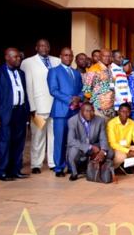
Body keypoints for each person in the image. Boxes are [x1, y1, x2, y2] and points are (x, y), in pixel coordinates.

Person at [0, 48, 31, 181]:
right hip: (5, 114)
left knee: (18, 143)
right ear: (7, 57)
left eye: (19, 57)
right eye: (15, 57)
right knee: (5, 143)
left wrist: (27, 113)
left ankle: (15, 170)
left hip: (20, 112)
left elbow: (24, 93)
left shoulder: (21, 73)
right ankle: (2, 171)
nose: (19, 59)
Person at [21, 38, 61, 174]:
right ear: (36, 48)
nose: (44, 48)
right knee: (38, 136)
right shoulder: (28, 62)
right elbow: (28, 86)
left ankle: (52, 162)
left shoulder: (57, 61)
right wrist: (31, 107)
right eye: (41, 46)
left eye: (47, 46)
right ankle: (36, 164)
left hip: (55, 107)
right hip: (38, 108)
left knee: (53, 136)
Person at [47, 47, 84, 177]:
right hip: (61, 111)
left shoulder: (77, 73)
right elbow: (53, 90)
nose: (68, 57)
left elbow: (81, 90)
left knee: (72, 140)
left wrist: (79, 98)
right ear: (60, 56)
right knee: (60, 140)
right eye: (65, 55)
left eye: (70, 55)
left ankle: (70, 165)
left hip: (74, 113)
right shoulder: (54, 71)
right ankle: (58, 167)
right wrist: (70, 101)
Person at [66, 103, 115, 182]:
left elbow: (103, 138)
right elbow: (71, 140)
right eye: (86, 111)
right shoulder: (72, 121)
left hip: (94, 145)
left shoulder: (100, 120)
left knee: (110, 152)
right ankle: (75, 172)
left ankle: (100, 169)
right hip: (80, 146)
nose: (89, 113)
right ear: (80, 112)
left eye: (91, 111)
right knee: (72, 152)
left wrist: (102, 151)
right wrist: (90, 147)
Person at [83, 48, 116, 121]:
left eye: (109, 56)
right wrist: (96, 99)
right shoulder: (94, 69)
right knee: (98, 131)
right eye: (105, 56)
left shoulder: (109, 70)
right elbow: (86, 90)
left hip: (110, 110)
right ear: (100, 57)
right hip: (98, 109)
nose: (107, 58)